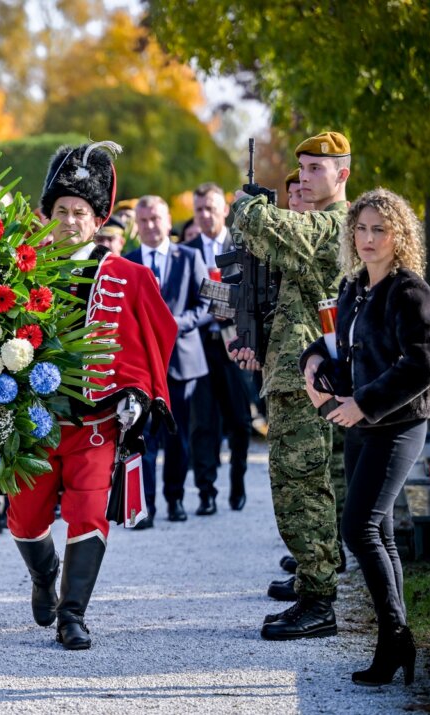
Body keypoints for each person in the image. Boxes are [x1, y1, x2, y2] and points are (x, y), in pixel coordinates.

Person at [10, 141, 177, 650]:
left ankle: (73, 614)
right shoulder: (19, 270)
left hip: (97, 423)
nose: (69, 220)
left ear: (98, 217)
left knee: (89, 514)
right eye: (60, 211)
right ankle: (44, 575)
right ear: (47, 214)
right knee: (25, 519)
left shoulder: (130, 276)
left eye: (80, 212)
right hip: (32, 423)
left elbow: (149, 342)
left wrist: (136, 393)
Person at [301, 188, 430, 685]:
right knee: (376, 530)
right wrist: (312, 359)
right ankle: (395, 641)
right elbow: (337, 343)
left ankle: (397, 638)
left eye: (378, 229)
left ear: (399, 234)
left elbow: (424, 363)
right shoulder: (354, 287)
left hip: (399, 424)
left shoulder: (410, 291)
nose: (367, 238)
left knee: (357, 527)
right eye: (360, 228)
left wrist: (365, 402)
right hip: (361, 423)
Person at [230, 131, 350, 640]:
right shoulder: (320, 222)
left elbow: (272, 228)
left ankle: (320, 600)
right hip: (293, 371)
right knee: (292, 483)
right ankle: (311, 582)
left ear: (343, 174)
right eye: (301, 168)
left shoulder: (339, 224)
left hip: (312, 377)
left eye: (316, 169)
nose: (304, 177)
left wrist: (247, 207)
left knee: (303, 484)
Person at [126, 196, 210, 527]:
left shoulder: (190, 257)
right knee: (142, 437)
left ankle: (175, 499)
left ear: (168, 219)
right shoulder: (128, 263)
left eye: (156, 218)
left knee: (178, 438)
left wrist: (177, 324)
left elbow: (206, 304)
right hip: (141, 366)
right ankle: (145, 507)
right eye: (143, 220)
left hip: (182, 362)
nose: (150, 225)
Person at [187, 183, 253, 514]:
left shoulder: (243, 246)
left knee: (240, 421)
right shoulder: (187, 250)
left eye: (211, 208)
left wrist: (228, 306)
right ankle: (206, 492)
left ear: (224, 209)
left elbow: (254, 294)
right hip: (200, 346)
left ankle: (238, 485)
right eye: (199, 209)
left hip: (235, 347)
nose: (205, 215)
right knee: (203, 424)